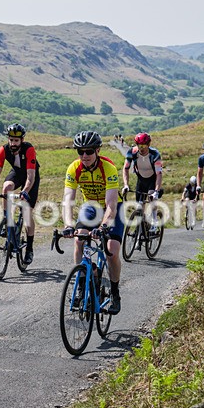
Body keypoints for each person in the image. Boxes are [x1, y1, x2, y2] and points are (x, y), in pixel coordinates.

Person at [62, 131, 124, 314]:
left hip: (113, 208)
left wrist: (103, 226)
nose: (84, 156)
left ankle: (114, 292)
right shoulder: (74, 168)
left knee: (111, 250)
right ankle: (82, 284)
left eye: (89, 151)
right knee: (79, 240)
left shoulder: (108, 168)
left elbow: (111, 204)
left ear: (97, 150)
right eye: (80, 152)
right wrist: (67, 224)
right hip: (91, 207)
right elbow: (68, 200)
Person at [0, 123, 40, 265]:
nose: (13, 143)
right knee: (6, 187)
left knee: (27, 213)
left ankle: (29, 249)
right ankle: (6, 219)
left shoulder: (29, 149)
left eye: (16, 140)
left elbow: (31, 175)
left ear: (21, 140)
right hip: (16, 172)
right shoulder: (3, 150)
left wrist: (25, 192)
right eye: (11, 140)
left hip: (30, 176)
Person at [121, 132, 163, 204]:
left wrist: (156, 191)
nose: (142, 149)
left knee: (152, 202)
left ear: (149, 145)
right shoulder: (132, 152)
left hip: (152, 180)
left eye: (144, 146)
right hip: (141, 180)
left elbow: (159, 173)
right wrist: (126, 185)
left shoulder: (155, 154)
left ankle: (155, 215)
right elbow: (126, 168)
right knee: (139, 205)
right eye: (140, 146)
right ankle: (140, 214)